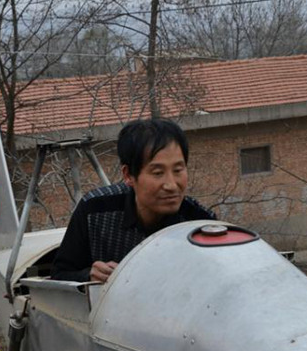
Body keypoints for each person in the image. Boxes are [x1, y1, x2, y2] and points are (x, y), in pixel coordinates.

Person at [51, 118, 215, 283]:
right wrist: (88, 275)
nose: (171, 185)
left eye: (178, 170)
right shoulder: (95, 210)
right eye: (158, 173)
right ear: (128, 175)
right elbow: (59, 276)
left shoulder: (200, 224)